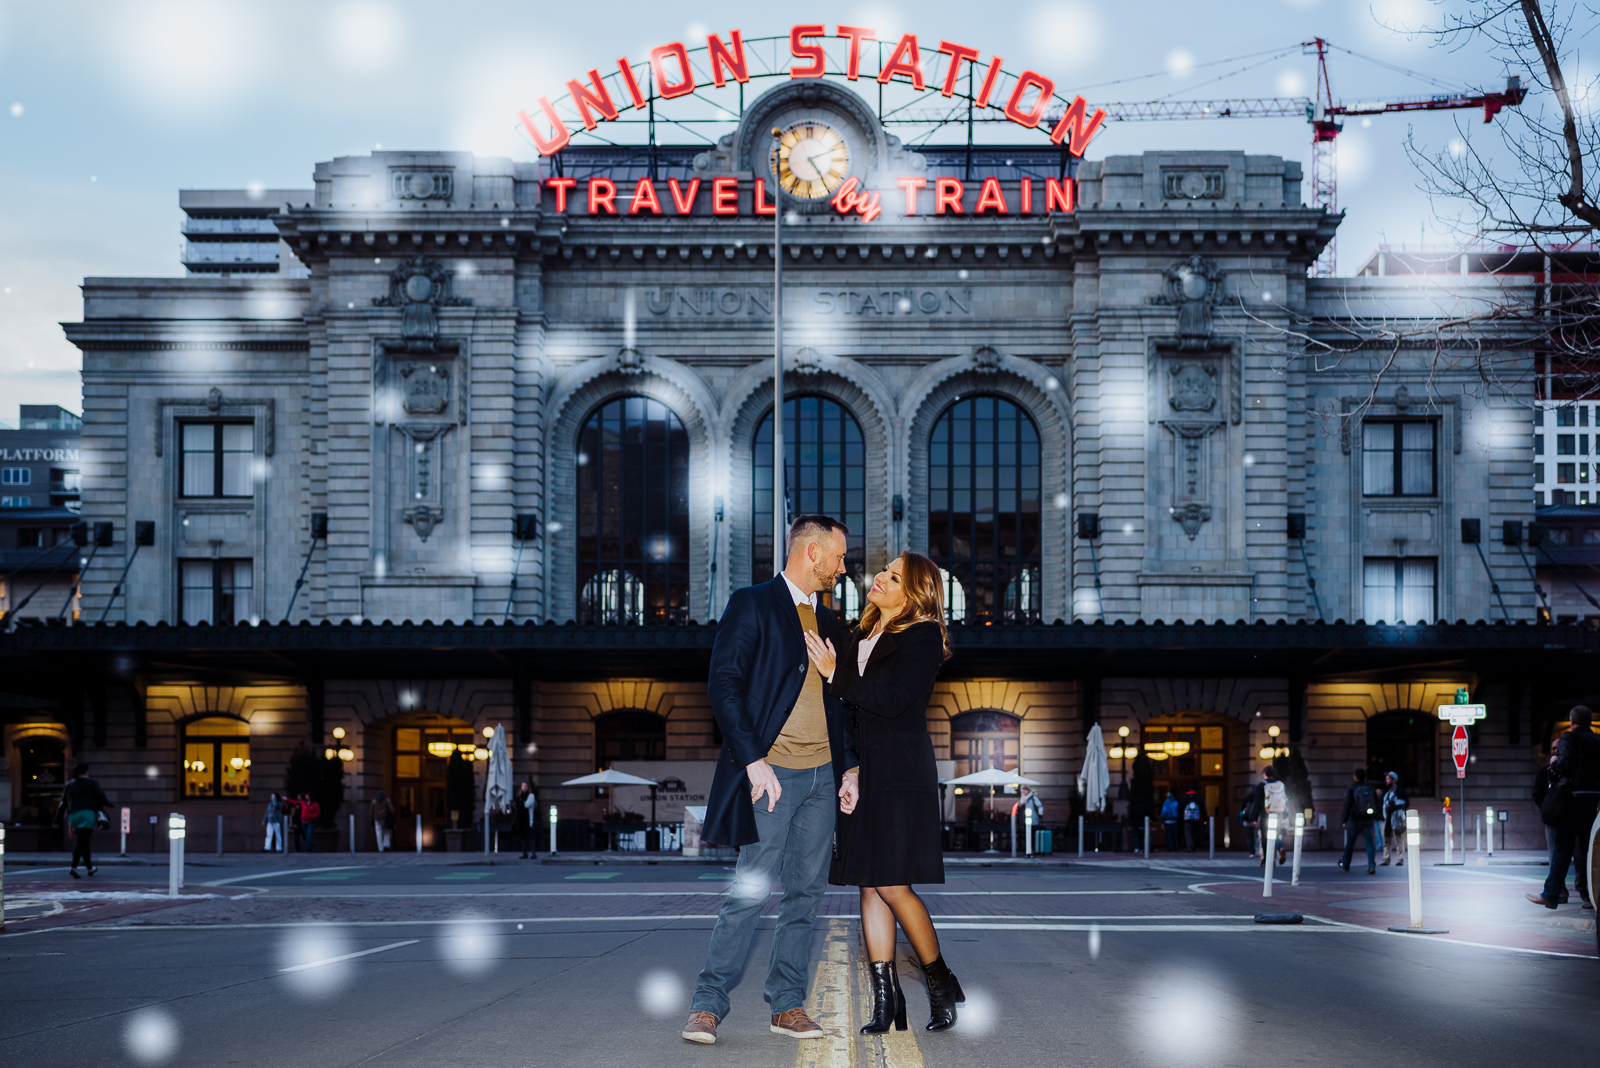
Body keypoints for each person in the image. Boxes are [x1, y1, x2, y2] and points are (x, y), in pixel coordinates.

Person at [682, 515, 856, 1046]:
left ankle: (786, 1005)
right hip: (772, 774)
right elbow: (724, 684)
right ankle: (708, 1004)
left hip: (823, 778)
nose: (843, 567)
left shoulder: (831, 623)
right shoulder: (753, 603)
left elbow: (842, 701)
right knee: (750, 892)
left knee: (806, 895)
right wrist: (753, 758)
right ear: (812, 551)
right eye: (839, 557)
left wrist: (849, 766)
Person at [810, 551, 963, 1034]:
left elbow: (892, 701)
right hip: (866, 769)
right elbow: (851, 715)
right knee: (869, 882)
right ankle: (886, 999)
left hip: (900, 771)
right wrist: (850, 768)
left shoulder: (921, 637)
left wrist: (836, 675)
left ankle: (940, 982)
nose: (880, 577)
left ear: (914, 593)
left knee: (893, 883)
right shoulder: (859, 633)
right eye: (883, 570)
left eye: (894, 576)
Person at [1528, 705, 1600, 909]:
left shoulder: (1570, 738)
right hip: (1594, 799)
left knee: (1562, 848)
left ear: (1571, 721)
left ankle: (1551, 894)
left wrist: (1554, 762)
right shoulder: (1597, 740)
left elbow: (1565, 765)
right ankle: (1593, 897)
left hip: (1573, 799)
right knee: (1590, 851)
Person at [56, 763, 109, 878]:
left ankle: (90, 868)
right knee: (81, 842)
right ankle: (73, 867)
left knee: (84, 842)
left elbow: (63, 803)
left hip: (73, 816)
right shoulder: (91, 782)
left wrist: (57, 820)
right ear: (85, 772)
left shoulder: (69, 784)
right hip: (87, 815)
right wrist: (108, 804)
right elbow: (100, 796)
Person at [1532, 751, 1566, 903]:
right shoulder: (1545, 773)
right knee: (1556, 856)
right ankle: (1557, 893)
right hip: (1553, 819)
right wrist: (1546, 808)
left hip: (1570, 816)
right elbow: (1537, 793)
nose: (1554, 752)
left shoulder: (1568, 771)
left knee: (1573, 857)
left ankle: (1581, 892)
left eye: (1557, 749)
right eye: (1552, 749)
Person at [1338, 768, 1380, 875]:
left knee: (1350, 844)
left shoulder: (1351, 788)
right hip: (1368, 820)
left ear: (1355, 776)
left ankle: (1346, 864)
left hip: (1354, 820)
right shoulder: (1370, 788)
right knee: (1370, 843)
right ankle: (1371, 865)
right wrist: (1376, 816)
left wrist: (1344, 820)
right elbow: (1377, 804)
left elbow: (1347, 805)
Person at [1261, 767, 1289, 866]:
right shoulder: (1280, 785)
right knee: (1275, 834)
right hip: (1278, 813)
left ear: (1264, 774)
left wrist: (1252, 817)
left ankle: (1267, 860)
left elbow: (1256, 802)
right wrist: (1286, 814)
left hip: (1266, 814)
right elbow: (1285, 799)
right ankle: (1280, 848)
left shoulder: (1262, 785)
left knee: (1265, 837)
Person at [1379, 773, 1407, 866]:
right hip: (1387, 819)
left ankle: (1400, 859)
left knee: (1399, 839)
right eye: (1386, 779)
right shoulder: (1386, 793)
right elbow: (1382, 805)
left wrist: (1394, 804)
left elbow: (1405, 803)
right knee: (1386, 839)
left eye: (1388, 779)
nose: (1386, 781)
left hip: (1397, 819)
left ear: (1394, 780)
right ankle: (1386, 859)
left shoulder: (1400, 792)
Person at [1241, 768, 1269, 858]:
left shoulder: (1248, 797)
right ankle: (1259, 850)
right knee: (1259, 835)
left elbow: (1243, 807)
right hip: (1262, 817)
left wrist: (1252, 818)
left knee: (1251, 836)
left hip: (1249, 819)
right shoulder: (1277, 785)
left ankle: (1253, 851)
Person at [515, 781, 539, 858]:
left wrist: (521, 803)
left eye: (525, 786)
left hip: (528, 819)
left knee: (530, 836)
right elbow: (518, 805)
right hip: (521, 819)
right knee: (523, 837)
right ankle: (524, 853)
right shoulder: (520, 796)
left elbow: (526, 805)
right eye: (522, 786)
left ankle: (533, 853)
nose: (524, 787)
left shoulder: (530, 795)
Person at [1181, 784, 1205, 853]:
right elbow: (1203, 808)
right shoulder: (1198, 797)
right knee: (1195, 832)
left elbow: (1180, 808)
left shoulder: (1184, 797)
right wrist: (1204, 818)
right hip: (1196, 819)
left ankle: (1189, 846)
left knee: (1188, 832)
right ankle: (1195, 846)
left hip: (1187, 818)